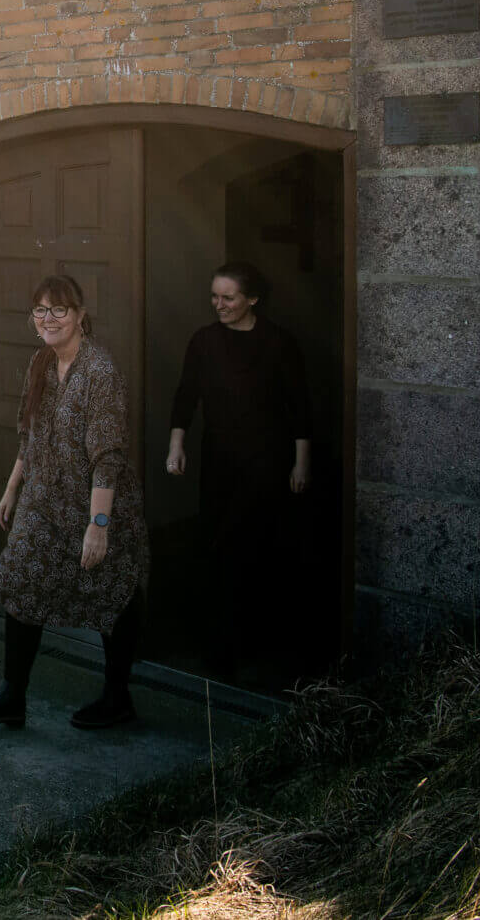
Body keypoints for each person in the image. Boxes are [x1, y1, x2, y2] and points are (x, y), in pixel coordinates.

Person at [0, 273, 148, 732]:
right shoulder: (41, 363)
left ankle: (117, 696)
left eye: (58, 310)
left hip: (95, 505)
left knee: (114, 592)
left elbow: (108, 457)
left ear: (81, 315)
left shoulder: (99, 373)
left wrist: (99, 524)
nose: (48, 319)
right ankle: (12, 696)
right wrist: (12, 487)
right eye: (40, 310)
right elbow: (30, 431)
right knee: (21, 581)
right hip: (43, 502)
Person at [165, 261, 312, 673]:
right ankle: (219, 646)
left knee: (255, 543)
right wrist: (176, 446)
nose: (219, 304)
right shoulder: (204, 341)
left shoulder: (279, 343)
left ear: (252, 299)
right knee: (216, 542)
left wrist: (302, 463)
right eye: (214, 296)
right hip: (219, 457)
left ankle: (260, 642)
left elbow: (298, 406)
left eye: (228, 297)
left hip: (266, 458)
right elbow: (185, 396)